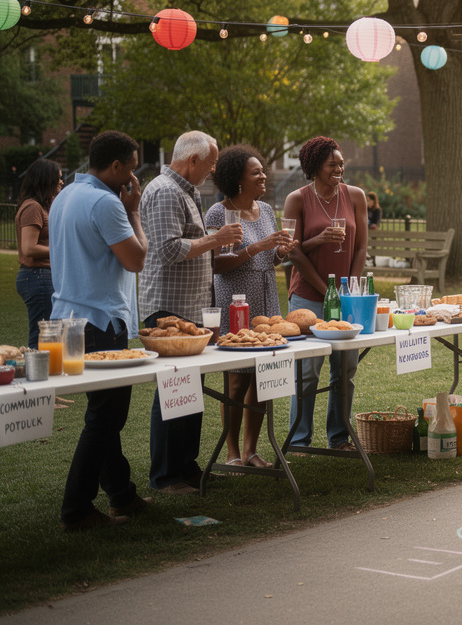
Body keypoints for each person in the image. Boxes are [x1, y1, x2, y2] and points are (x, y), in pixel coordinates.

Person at [50, 131, 149, 531]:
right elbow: (136, 259)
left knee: (103, 414)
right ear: (116, 167)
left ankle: (121, 492)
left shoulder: (64, 196)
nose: (134, 177)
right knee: (107, 417)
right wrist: (134, 212)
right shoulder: (107, 203)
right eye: (132, 168)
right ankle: (76, 509)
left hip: (65, 318)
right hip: (99, 322)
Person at [139, 131, 241, 496]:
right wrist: (216, 239)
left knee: (191, 390)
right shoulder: (165, 191)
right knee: (173, 389)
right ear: (192, 160)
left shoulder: (188, 191)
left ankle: (186, 466)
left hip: (190, 307)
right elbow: (167, 250)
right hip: (169, 309)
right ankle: (165, 476)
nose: (214, 170)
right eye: (211, 163)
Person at [205, 145, 297, 471]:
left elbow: (269, 258)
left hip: (267, 303)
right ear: (238, 179)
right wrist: (259, 246)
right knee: (236, 381)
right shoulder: (218, 214)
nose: (264, 176)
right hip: (236, 302)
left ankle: (251, 450)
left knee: (263, 379)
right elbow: (215, 264)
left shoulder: (266, 210)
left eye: (263, 171)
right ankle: (231, 452)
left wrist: (281, 251)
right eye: (256, 172)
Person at [284, 136, 369, 451]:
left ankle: (339, 436)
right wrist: (328, 291)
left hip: (346, 296)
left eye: (341, 164)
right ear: (314, 167)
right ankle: (299, 439)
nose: (339, 169)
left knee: (345, 370)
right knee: (307, 371)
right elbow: (292, 252)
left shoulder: (355, 196)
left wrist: (348, 292)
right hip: (307, 297)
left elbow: (360, 248)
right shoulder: (297, 199)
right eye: (332, 164)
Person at [15, 159, 63, 348]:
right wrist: (60, 250)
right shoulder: (33, 207)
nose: (61, 182)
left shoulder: (42, 206)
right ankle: (36, 367)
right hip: (37, 277)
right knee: (42, 338)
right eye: (58, 178)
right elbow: (29, 248)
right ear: (46, 179)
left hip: (42, 276)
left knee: (49, 336)